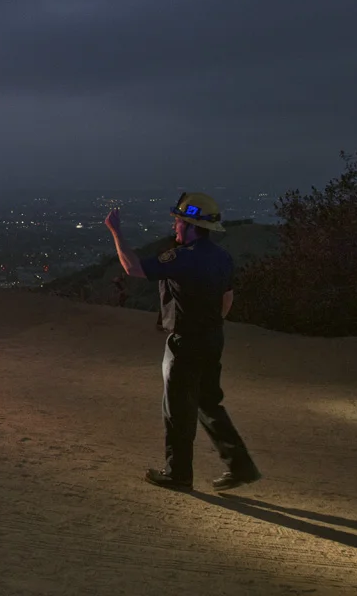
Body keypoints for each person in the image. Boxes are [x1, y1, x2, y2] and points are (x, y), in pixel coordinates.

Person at [104, 192, 261, 492]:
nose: (175, 227)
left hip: (185, 342)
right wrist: (212, 326)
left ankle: (178, 474)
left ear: (191, 226)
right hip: (213, 338)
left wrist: (116, 232)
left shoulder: (182, 257)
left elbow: (133, 268)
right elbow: (227, 298)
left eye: (178, 222)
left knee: (177, 409)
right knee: (208, 403)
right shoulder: (222, 257)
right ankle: (241, 465)